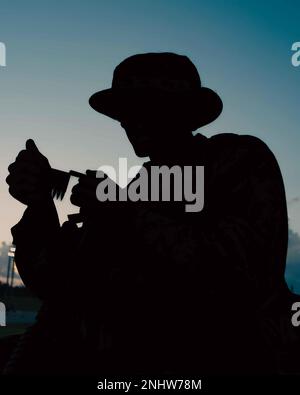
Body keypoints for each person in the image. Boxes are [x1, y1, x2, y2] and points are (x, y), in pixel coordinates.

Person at [4, 52, 297, 375]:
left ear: (186, 111)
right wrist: (39, 204)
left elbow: (245, 273)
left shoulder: (237, 159)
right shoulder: (131, 189)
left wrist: (124, 212)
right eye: (124, 112)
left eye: (148, 105)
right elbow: (59, 285)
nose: (131, 120)